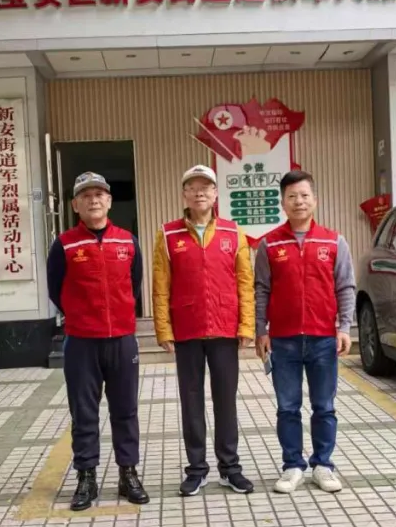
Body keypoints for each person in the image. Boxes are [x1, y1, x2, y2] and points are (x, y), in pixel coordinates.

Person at [46, 171, 150, 511]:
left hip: (122, 340)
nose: (93, 200)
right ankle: (86, 477)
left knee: (125, 410)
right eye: (85, 195)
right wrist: (81, 316)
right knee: (84, 412)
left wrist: (117, 315)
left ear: (109, 201)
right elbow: (55, 289)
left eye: (99, 194)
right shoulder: (64, 245)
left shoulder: (128, 241)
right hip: (82, 342)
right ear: (75, 205)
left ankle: (128, 474)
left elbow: (134, 285)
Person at [152, 164, 256, 497]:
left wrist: (247, 325)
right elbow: (160, 286)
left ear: (215, 194)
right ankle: (196, 470)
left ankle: (230, 468)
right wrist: (163, 329)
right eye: (193, 187)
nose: (199, 193)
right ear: (184, 194)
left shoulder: (233, 232)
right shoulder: (168, 235)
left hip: (225, 329)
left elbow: (245, 282)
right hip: (187, 330)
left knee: (226, 401)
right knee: (191, 401)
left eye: (206, 187)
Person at [254, 169, 355, 494]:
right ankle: (292, 466)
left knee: (324, 406)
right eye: (292, 196)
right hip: (283, 340)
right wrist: (260, 330)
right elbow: (261, 290)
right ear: (283, 203)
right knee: (288, 407)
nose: (299, 201)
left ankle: (323, 465)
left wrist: (344, 327)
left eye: (304, 195)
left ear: (315, 200)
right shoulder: (269, 244)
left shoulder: (334, 241)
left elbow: (345, 286)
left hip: (323, 338)